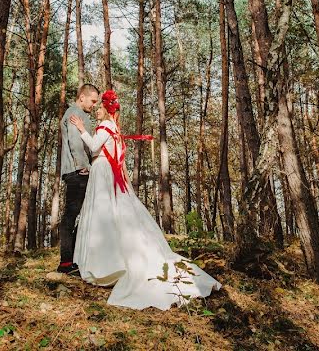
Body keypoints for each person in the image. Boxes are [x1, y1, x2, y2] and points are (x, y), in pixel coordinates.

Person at [69, 89, 221, 310]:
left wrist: (82, 129)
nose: (97, 111)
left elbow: (94, 147)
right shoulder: (115, 129)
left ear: (107, 109)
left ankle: (104, 265)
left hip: (101, 171)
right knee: (110, 215)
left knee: (101, 215)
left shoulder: (106, 126)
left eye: (100, 107)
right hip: (106, 172)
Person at [57, 83, 100, 275]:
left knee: (76, 217)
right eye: (92, 101)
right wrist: (85, 166)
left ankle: (73, 261)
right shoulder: (76, 114)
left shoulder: (75, 113)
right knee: (70, 217)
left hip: (74, 170)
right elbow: (75, 143)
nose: (94, 105)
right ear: (82, 97)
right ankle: (66, 263)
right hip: (78, 172)